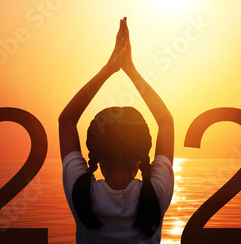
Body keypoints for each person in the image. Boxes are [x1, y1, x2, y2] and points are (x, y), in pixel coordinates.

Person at [59, 17, 174, 243]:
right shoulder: (156, 195)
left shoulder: (81, 195)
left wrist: (109, 69)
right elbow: (166, 122)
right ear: (141, 155)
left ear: (97, 155)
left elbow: (67, 120)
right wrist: (131, 70)